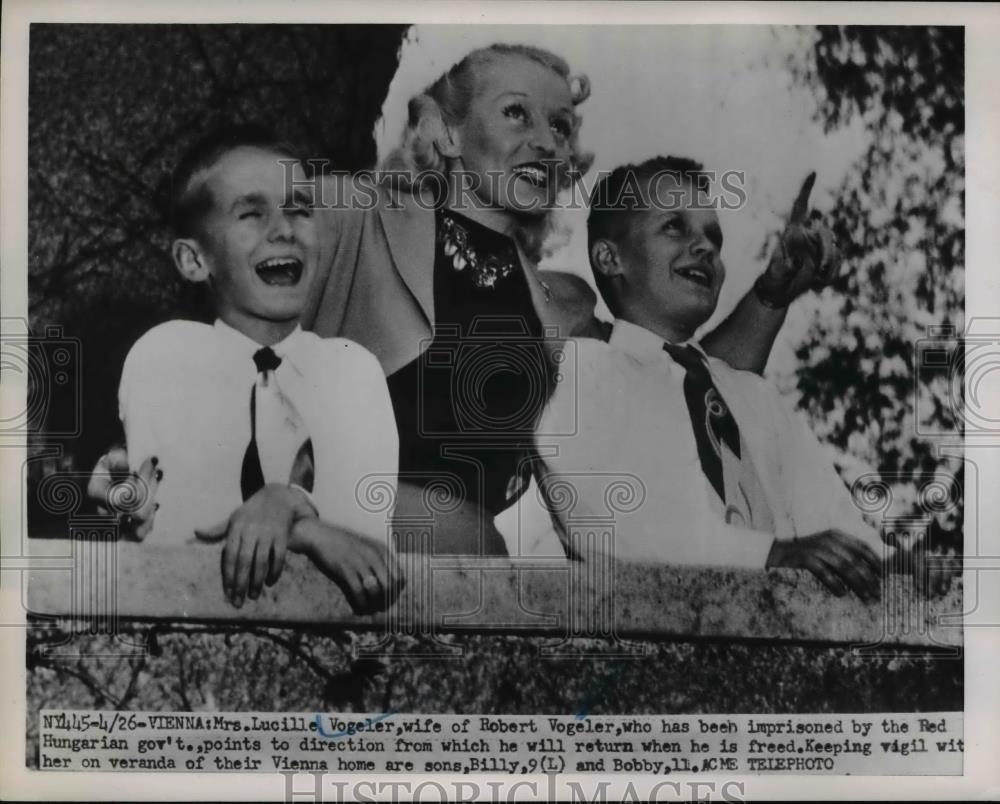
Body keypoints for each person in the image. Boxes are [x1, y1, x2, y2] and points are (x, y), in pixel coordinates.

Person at [93, 43, 837, 557]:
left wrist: (771, 294)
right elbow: (214, 268)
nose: (546, 141)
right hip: (300, 538)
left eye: (561, 126)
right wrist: (126, 448)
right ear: (445, 132)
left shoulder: (564, 304)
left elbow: (681, 385)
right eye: (518, 114)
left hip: (460, 577)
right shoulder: (357, 215)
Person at [534, 155, 890, 599]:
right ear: (609, 258)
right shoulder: (581, 371)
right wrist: (768, 555)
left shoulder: (753, 394)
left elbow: (829, 516)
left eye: (714, 239)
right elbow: (614, 527)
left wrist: (885, 564)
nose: (705, 247)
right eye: (674, 227)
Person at [110, 125, 401, 613]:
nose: (283, 229)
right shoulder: (167, 355)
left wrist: (285, 507)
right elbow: (186, 527)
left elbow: (364, 545)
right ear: (194, 260)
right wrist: (300, 521)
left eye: (299, 209)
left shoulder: (353, 372)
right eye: (251, 213)